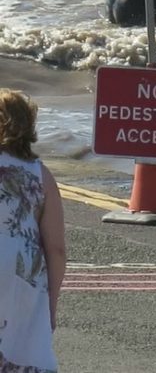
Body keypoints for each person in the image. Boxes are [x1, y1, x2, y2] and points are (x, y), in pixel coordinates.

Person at [0, 89, 66, 372]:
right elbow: (57, 249)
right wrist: (51, 302)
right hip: (22, 268)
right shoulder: (40, 173)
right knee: (23, 344)